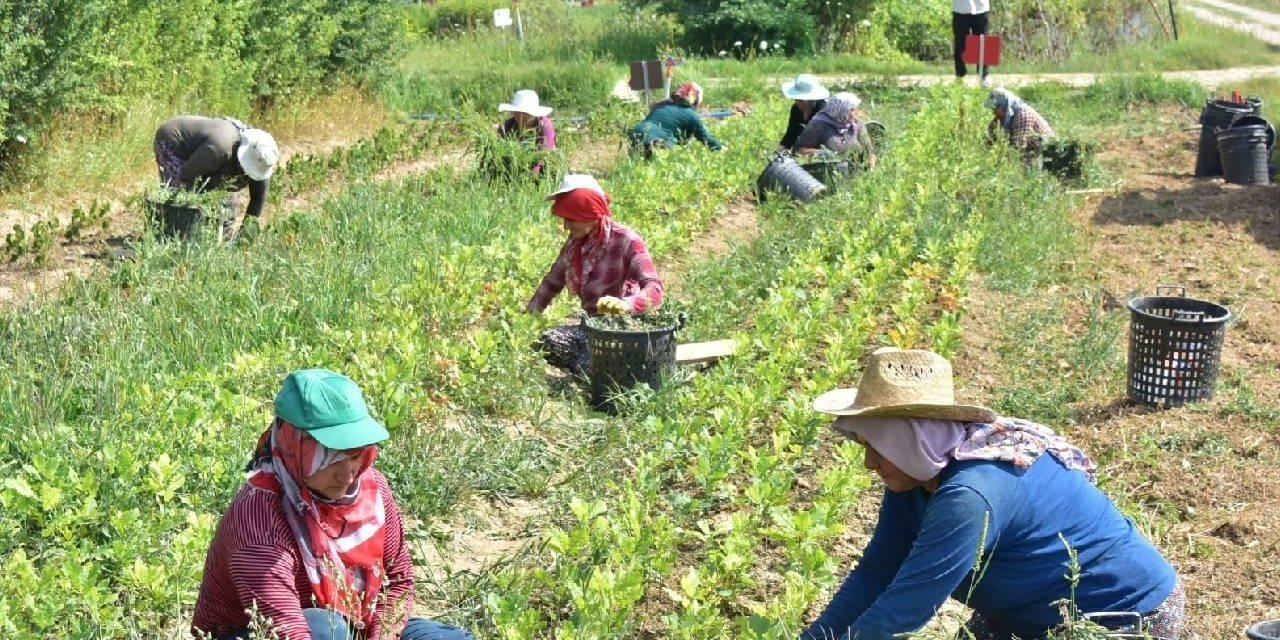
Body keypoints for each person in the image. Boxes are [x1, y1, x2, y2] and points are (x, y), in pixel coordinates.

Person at [803, 347, 1185, 640]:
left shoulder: (971, 493)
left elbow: (906, 607)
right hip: (1028, 613)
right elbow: (876, 573)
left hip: (1124, 616)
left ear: (910, 440)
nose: (869, 462)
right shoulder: (916, 476)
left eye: (877, 446)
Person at [192, 368, 473, 640]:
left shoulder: (373, 492)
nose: (348, 473)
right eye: (330, 457)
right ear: (293, 444)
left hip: (354, 624)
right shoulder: (258, 515)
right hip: (272, 632)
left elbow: (398, 582)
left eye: (355, 455)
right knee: (328, 629)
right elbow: (286, 629)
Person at [526, 174, 664, 374]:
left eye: (571, 220)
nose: (566, 226)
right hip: (593, 328)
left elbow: (655, 289)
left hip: (626, 331)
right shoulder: (575, 243)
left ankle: (598, 370)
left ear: (589, 214)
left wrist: (627, 304)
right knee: (546, 341)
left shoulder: (626, 241)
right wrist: (527, 319)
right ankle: (595, 368)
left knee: (595, 363)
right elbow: (551, 284)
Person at [153, 115, 279, 240]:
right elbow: (187, 176)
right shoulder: (221, 149)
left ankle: (219, 241)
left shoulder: (262, 159)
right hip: (174, 142)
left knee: (226, 209)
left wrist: (243, 239)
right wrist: (208, 201)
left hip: (211, 158)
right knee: (183, 201)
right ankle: (168, 236)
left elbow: (257, 200)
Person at [628, 82, 724, 158]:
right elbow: (707, 139)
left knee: (638, 163)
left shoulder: (662, 106)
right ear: (695, 99)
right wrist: (721, 148)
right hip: (656, 140)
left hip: (636, 132)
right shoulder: (691, 115)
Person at [792, 92, 878, 170]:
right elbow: (798, 150)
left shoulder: (856, 124)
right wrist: (823, 154)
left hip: (856, 170)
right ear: (840, 111)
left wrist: (871, 170)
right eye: (852, 110)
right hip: (826, 172)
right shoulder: (819, 125)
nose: (856, 113)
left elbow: (869, 150)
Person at [496, 89, 557, 176]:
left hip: (544, 170)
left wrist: (530, 177)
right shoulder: (507, 127)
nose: (521, 116)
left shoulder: (545, 126)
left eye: (525, 113)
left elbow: (544, 154)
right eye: (518, 113)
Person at [986, 87, 1056, 159]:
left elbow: (1019, 147)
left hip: (1047, 152)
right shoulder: (1006, 115)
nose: (993, 112)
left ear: (1003, 107)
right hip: (1031, 150)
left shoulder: (1022, 115)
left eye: (995, 109)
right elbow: (990, 136)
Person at [779, 73, 830, 151]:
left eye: (800, 100)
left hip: (824, 149)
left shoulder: (823, 110)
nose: (796, 101)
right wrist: (781, 148)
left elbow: (823, 137)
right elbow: (791, 133)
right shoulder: (796, 109)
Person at [953, 0, 991, 80]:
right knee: (960, 44)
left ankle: (983, 75)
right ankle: (960, 75)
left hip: (981, 8)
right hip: (960, 9)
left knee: (982, 43)